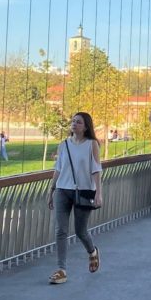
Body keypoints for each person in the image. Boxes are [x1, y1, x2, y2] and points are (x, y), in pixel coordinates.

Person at [47, 111, 102, 284]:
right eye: (73, 121)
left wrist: (99, 193)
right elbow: (58, 168)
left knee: (80, 231)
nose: (74, 124)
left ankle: (92, 251)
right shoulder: (63, 145)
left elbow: (96, 170)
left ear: (86, 127)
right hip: (63, 189)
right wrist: (51, 189)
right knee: (61, 230)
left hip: (84, 191)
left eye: (78, 122)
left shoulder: (92, 144)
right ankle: (61, 270)